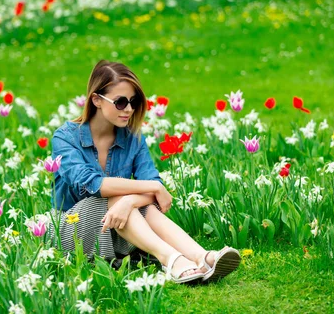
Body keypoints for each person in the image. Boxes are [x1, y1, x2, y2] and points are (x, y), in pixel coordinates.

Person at [47, 60, 241, 284]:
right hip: (70, 229)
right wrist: (153, 187)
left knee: (128, 199)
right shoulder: (65, 137)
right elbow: (93, 185)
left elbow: (155, 193)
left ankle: (202, 257)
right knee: (119, 194)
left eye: (133, 101)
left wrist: (130, 201)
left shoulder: (133, 138)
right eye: (120, 102)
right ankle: (172, 260)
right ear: (96, 100)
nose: (129, 109)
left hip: (115, 223)